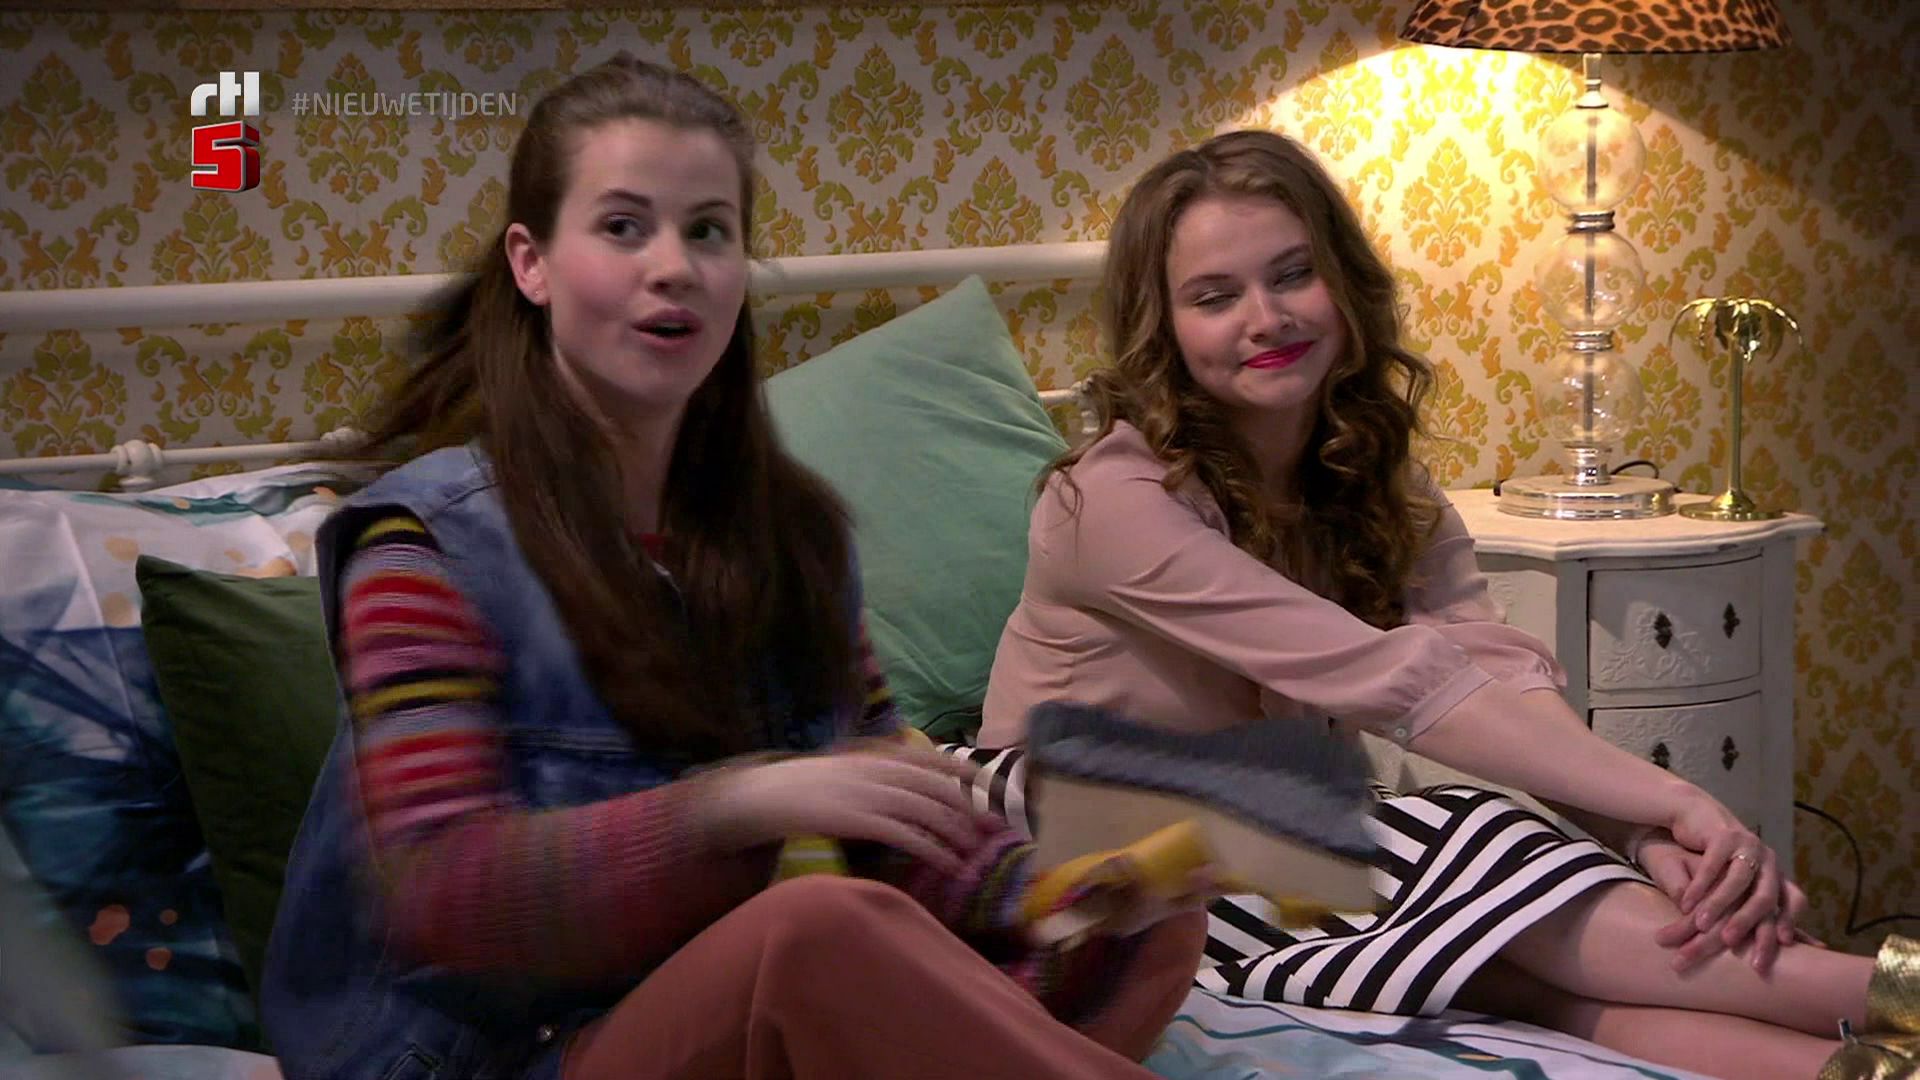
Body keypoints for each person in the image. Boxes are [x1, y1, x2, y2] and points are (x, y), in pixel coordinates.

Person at [258, 55, 1210, 1080]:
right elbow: (438, 892)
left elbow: (888, 813)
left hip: (705, 1027)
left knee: (1154, 924)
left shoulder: (793, 541)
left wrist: (1053, 897)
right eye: (624, 226)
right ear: (532, 265)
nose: (673, 265)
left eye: (708, 231)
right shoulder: (426, 544)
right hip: (480, 1057)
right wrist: (737, 806)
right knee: (815, 932)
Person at [971, 129, 1913, 1080]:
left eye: (1294, 274)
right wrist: (1675, 797)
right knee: (1454, 829)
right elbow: (1395, 678)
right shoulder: (1110, 501)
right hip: (1078, 836)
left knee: (1519, 980)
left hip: (1258, 840)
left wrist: (1636, 832)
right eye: (1215, 298)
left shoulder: (1372, 473)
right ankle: (1885, 986)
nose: (1266, 317)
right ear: (1162, 327)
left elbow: (1491, 667)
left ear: (1344, 281)